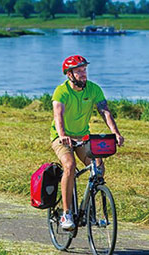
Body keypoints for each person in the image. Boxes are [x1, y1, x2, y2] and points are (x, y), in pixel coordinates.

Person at [51, 55, 124, 230]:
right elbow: (58, 116)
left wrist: (115, 133)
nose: (83, 74)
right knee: (69, 165)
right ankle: (67, 214)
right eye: (79, 71)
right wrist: (62, 135)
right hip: (62, 137)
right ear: (69, 75)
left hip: (83, 137)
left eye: (84, 70)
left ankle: (89, 208)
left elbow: (104, 111)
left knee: (98, 166)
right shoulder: (61, 91)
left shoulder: (94, 89)